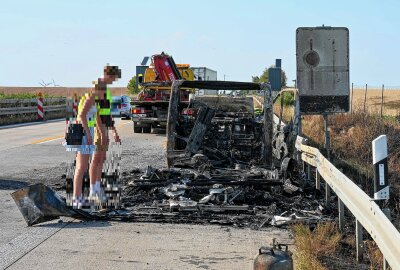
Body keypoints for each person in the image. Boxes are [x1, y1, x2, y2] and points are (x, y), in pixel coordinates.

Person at [66, 65, 121, 208]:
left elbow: (100, 116)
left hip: (88, 131)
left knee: (84, 165)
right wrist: (90, 134)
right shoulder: (93, 96)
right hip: (84, 132)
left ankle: (79, 197)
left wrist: (106, 132)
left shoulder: (99, 97)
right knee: (81, 167)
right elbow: (82, 115)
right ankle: (76, 198)